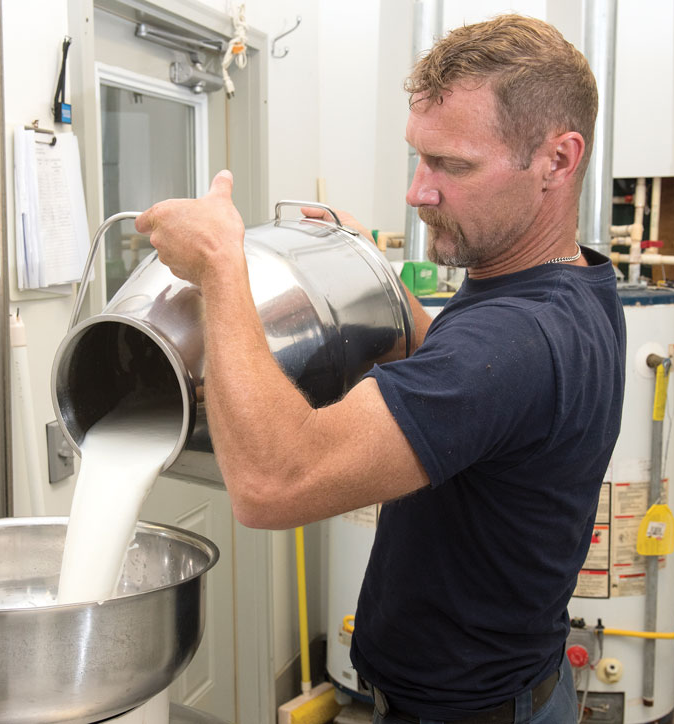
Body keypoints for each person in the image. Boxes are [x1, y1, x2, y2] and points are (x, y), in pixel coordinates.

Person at [135, 14, 625, 724]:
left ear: (557, 159)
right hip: (514, 686)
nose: (418, 191)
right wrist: (367, 269)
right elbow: (461, 380)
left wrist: (219, 268)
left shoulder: (516, 337)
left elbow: (274, 484)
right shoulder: (567, 287)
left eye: (453, 165)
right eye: (418, 158)